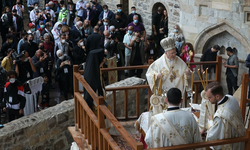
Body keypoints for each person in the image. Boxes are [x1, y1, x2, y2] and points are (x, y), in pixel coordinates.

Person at [202, 82, 246, 149]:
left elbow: (211, 136)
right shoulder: (231, 98)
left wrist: (211, 121)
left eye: (209, 97)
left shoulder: (220, 116)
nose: (208, 99)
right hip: (240, 140)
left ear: (217, 96)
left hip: (230, 144)